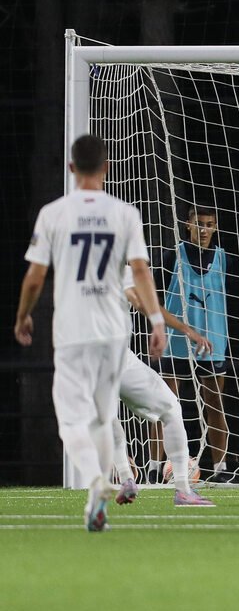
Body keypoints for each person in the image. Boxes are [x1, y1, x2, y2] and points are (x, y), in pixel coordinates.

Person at [14, 134, 166, 532]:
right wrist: (157, 320)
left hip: (73, 332)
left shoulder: (53, 213)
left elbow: (34, 276)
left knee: (72, 422)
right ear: (106, 168)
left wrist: (23, 317)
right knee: (103, 417)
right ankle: (105, 489)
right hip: (114, 335)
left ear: (70, 168)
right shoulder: (125, 214)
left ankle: (97, 481)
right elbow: (141, 271)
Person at [112, 265, 216, 507]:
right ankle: (182, 489)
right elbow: (139, 302)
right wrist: (184, 329)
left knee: (108, 417)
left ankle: (126, 478)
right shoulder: (120, 268)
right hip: (115, 356)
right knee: (171, 409)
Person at [153, 206, 233, 483]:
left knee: (215, 404)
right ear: (188, 225)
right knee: (165, 406)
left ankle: (220, 468)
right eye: (198, 223)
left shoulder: (224, 259)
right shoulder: (171, 256)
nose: (203, 229)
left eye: (209, 224)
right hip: (176, 343)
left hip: (212, 343)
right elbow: (155, 302)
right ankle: (155, 466)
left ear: (216, 227)